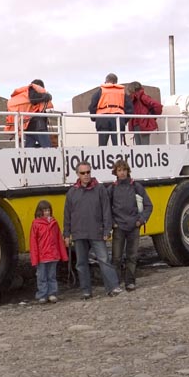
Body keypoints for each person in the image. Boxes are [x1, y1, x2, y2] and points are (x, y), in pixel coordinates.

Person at [63, 161, 122, 299]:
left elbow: (106, 210)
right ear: (77, 174)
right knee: (81, 263)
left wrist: (107, 229)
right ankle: (86, 291)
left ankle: (113, 287)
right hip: (79, 233)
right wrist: (66, 234)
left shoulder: (100, 189)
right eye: (83, 173)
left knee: (104, 260)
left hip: (97, 231)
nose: (86, 175)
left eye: (88, 172)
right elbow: (67, 215)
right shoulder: (72, 192)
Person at [108, 160, 152, 291]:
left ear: (128, 171)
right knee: (116, 257)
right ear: (115, 172)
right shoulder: (112, 189)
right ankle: (115, 283)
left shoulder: (136, 186)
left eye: (124, 170)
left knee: (132, 256)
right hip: (119, 228)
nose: (122, 173)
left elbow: (148, 205)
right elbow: (106, 209)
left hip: (134, 227)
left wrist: (141, 220)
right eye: (119, 170)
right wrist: (113, 223)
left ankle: (130, 282)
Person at [30, 200, 68, 304]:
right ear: (40, 212)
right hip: (42, 257)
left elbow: (59, 239)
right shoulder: (36, 224)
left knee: (51, 276)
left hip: (53, 255)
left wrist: (63, 254)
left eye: (48, 210)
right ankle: (42, 294)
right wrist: (34, 258)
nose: (47, 213)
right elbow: (33, 243)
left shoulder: (54, 223)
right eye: (44, 211)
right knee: (42, 276)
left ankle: (52, 293)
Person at [88, 73, 134, 146]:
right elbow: (130, 109)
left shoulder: (100, 91)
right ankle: (119, 156)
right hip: (118, 119)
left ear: (106, 81)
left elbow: (92, 106)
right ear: (116, 82)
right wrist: (124, 120)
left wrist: (94, 118)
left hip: (102, 119)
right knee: (118, 145)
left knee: (102, 145)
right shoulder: (122, 92)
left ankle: (102, 156)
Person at [6, 79, 53, 147]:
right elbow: (33, 100)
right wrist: (47, 96)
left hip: (29, 125)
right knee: (47, 147)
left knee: (29, 148)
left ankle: (27, 157)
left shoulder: (27, 95)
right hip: (39, 126)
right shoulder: (33, 91)